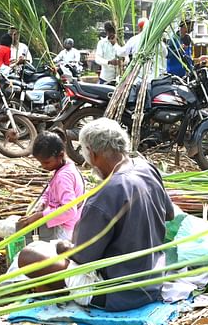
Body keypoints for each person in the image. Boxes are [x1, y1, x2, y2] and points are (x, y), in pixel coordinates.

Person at [20, 119, 173, 311]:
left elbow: (83, 258)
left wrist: (65, 247)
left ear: (91, 152)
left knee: (29, 256)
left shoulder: (105, 194)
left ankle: (62, 293)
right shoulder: (147, 168)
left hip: (119, 293)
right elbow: (169, 213)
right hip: (154, 279)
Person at [15, 132, 85, 242]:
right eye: (41, 163)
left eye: (46, 162)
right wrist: (42, 203)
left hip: (63, 231)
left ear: (60, 155)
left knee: (6, 228)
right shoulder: (65, 167)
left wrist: (40, 216)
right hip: (63, 225)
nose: (43, 166)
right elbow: (50, 191)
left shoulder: (63, 177)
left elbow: (70, 210)